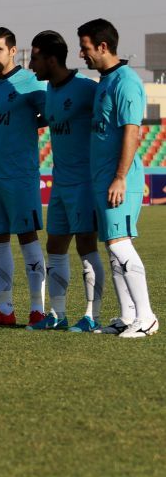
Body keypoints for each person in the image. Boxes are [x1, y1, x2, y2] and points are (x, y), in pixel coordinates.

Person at [77, 18, 158, 337]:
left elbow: (131, 132)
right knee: (113, 248)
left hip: (120, 180)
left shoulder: (125, 81)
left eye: (85, 48)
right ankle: (127, 316)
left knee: (120, 245)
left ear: (102, 46)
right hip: (103, 179)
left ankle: (147, 318)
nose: (82, 54)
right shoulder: (105, 81)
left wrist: (120, 177)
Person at [26, 30, 105, 332]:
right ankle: (57, 314)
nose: (31, 65)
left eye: (35, 58)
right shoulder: (50, 91)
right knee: (55, 245)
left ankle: (92, 316)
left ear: (51, 59)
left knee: (86, 246)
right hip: (60, 183)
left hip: (85, 183)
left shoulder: (86, 88)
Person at [0, 27, 48, 327]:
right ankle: (5, 308)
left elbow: (50, 114)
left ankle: (38, 309)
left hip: (20, 175)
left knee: (27, 237)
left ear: (13, 51)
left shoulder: (31, 82)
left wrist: (26, 123)